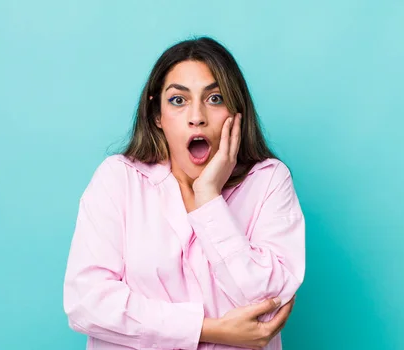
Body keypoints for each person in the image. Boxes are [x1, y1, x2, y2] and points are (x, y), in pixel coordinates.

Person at [63, 37, 306, 350]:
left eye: (215, 98)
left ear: (237, 111)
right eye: (178, 100)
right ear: (157, 116)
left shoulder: (269, 181)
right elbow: (86, 303)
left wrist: (208, 198)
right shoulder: (119, 179)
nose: (197, 116)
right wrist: (206, 329)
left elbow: (267, 305)